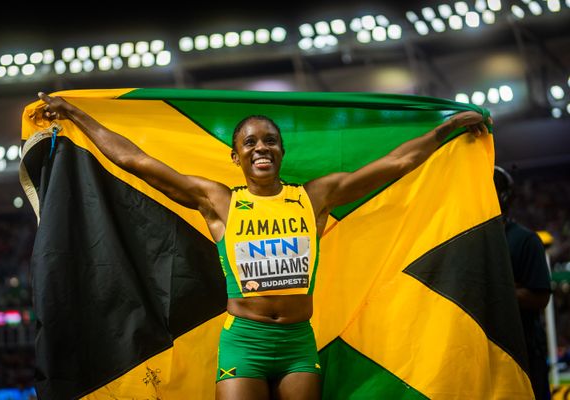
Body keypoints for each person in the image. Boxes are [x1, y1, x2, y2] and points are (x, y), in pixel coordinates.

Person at [33, 91, 489, 400]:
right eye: (249, 142)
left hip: (297, 341)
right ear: (236, 156)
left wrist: (443, 131)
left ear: (282, 151)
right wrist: (76, 116)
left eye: (270, 140)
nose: (261, 147)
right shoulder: (219, 202)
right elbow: (136, 160)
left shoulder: (314, 197)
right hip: (245, 341)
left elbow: (395, 163)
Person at [494, 165, 552, 400]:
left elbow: (540, 297)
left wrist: (496, 291)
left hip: (524, 353)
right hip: (487, 351)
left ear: (504, 197)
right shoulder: (472, 242)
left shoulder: (525, 240)